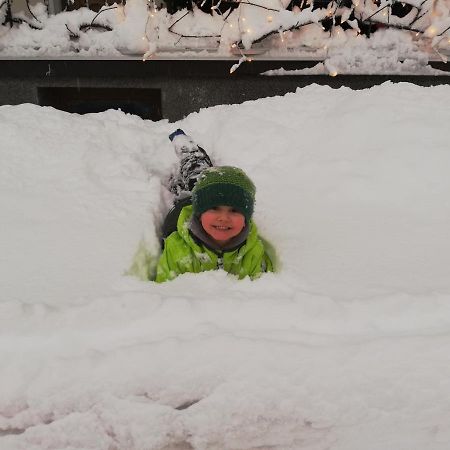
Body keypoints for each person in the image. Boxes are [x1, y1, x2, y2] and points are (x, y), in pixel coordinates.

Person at [154, 129, 273, 283]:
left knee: (198, 180)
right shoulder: (177, 250)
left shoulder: (253, 252)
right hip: (183, 208)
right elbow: (163, 292)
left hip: (201, 200)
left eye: (234, 210)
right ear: (198, 214)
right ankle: (188, 151)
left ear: (246, 218)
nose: (223, 218)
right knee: (193, 177)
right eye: (215, 208)